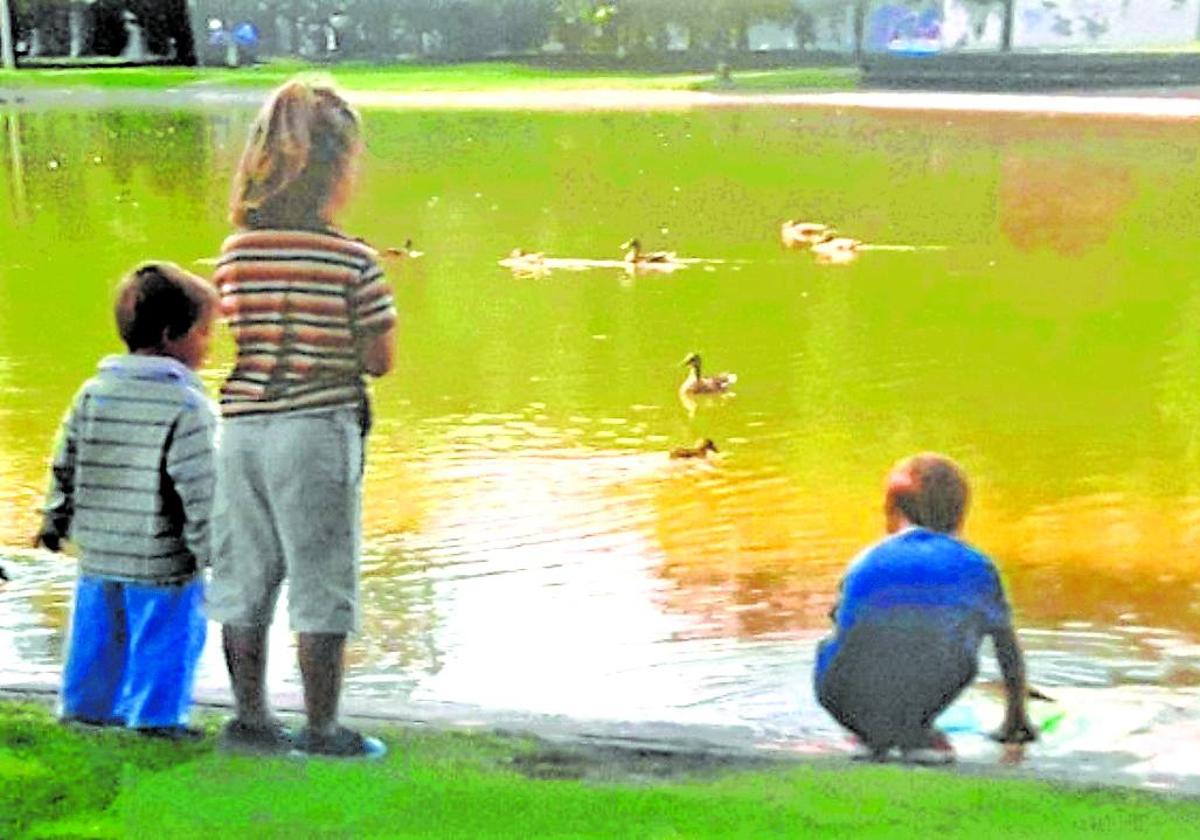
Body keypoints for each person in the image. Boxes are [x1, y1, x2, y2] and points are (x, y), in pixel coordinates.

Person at [207, 78, 396, 758]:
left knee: (246, 576)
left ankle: (251, 719)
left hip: (242, 429)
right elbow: (380, 359)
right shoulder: (352, 261)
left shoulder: (235, 254)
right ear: (337, 170)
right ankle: (323, 727)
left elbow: (242, 330)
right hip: (316, 429)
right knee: (323, 575)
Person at [34, 262, 218, 740]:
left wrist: (54, 520)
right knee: (166, 637)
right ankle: (157, 720)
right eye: (204, 332)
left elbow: (65, 461)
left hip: (99, 548)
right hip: (162, 557)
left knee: (97, 635)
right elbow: (200, 488)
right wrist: (213, 547)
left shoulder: (93, 393)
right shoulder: (187, 406)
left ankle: (86, 709)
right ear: (170, 335)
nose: (209, 344)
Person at [814, 453, 1037, 763]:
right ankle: (917, 735)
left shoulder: (866, 559)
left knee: (833, 644)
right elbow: (1006, 649)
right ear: (960, 516)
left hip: (841, 698)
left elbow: (840, 620)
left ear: (892, 512)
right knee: (960, 648)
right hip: (926, 693)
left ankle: (869, 735)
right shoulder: (977, 566)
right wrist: (1016, 720)